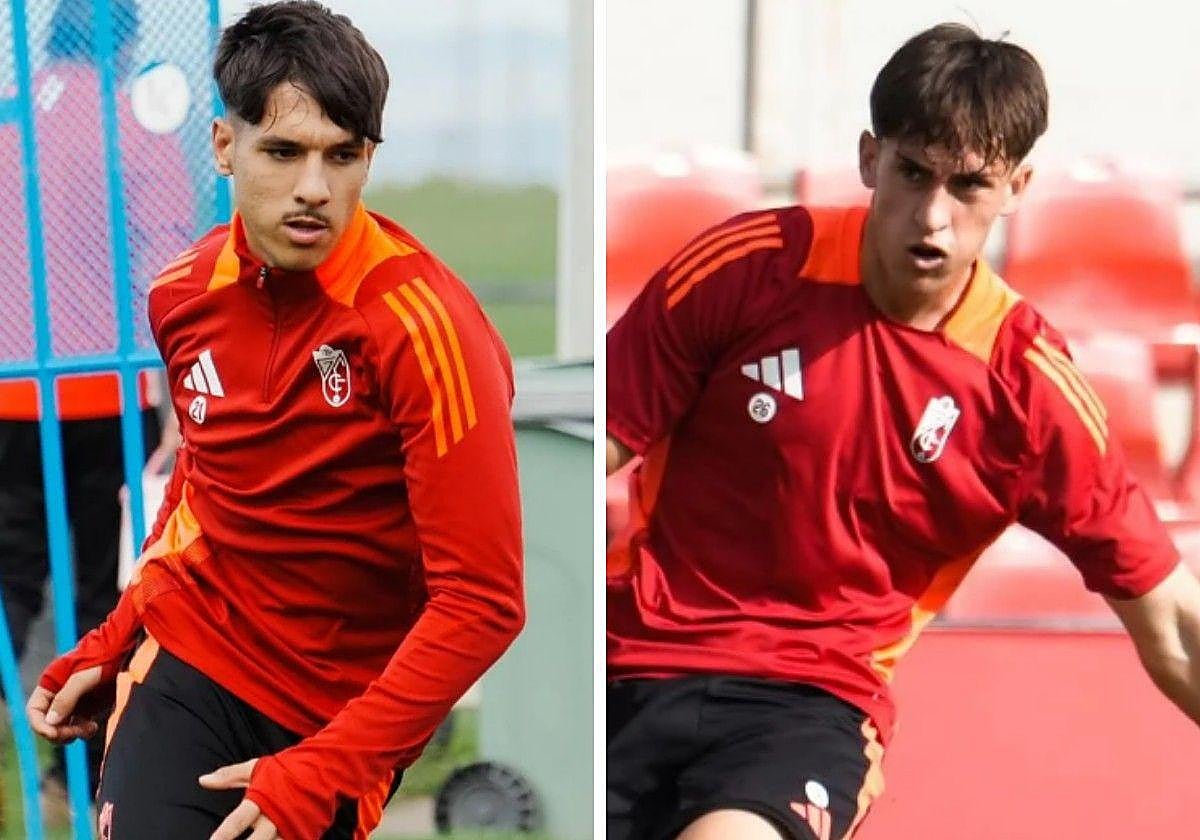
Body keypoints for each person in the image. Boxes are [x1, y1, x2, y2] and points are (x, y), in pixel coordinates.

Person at [606, 23, 1200, 840]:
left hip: (808, 703)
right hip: (621, 663)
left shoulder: (1027, 389)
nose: (932, 216)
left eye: (968, 187)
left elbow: (1172, 624)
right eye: (913, 172)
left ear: (1018, 187)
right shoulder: (748, 269)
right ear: (868, 158)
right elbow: (580, 457)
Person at [23, 2, 525, 838]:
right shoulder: (181, 295)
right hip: (195, 657)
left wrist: (332, 762)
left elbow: (483, 601)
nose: (313, 189)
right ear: (226, 146)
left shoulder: (423, 327)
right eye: (283, 151)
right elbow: (203, 486)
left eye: (344, 156)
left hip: (342, 712)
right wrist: (116, 635)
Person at [0, 0, 189, 815]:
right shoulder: (133, 129)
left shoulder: (10, 127)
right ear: (127, 45)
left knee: (8, 582)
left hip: (8, 393)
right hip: (103, 396)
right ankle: (73, 773)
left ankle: (29, 757)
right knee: (97, 594)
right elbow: (166, 266)